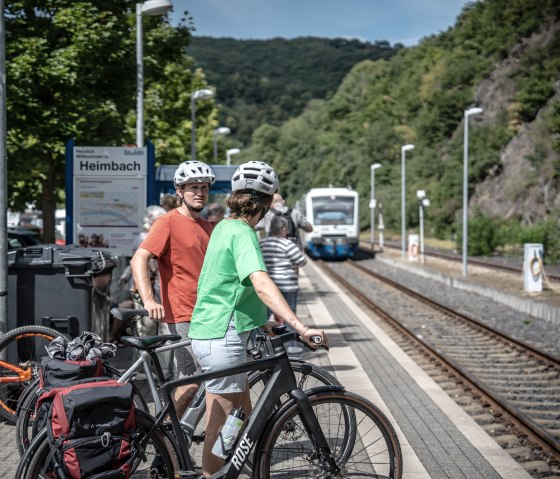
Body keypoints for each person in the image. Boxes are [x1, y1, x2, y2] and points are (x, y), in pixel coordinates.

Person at [189, 161, 328, 477]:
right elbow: (261, 282)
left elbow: (228, 284)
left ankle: (226, 470)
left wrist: (262, 321)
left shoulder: (225, 227)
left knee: (242, 413)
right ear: (264, 204)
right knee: (221, 420)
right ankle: (212, 475)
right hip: (221, 336)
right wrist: (300, 326)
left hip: (215, 331)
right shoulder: (243, 233)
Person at [130, 160, 216, 416]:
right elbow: (139, 259)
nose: (200, 192)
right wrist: (149, 300)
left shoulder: (207, 226)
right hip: (185, 312)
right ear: (179, 191)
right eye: (193, 187)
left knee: (189, 375)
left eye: (204, 187)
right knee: (208, 373)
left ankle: (170, 436)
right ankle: (168, 430)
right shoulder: (167, 222)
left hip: (209, 312)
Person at [260, 215, 307, 358]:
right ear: (283, 229)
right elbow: (301, 261)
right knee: (290, 315)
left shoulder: (262, 243)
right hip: (287, 286)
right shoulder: (287, 244)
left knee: (264, 316)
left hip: (269, 286)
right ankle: (291, 346)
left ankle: (261, 345)